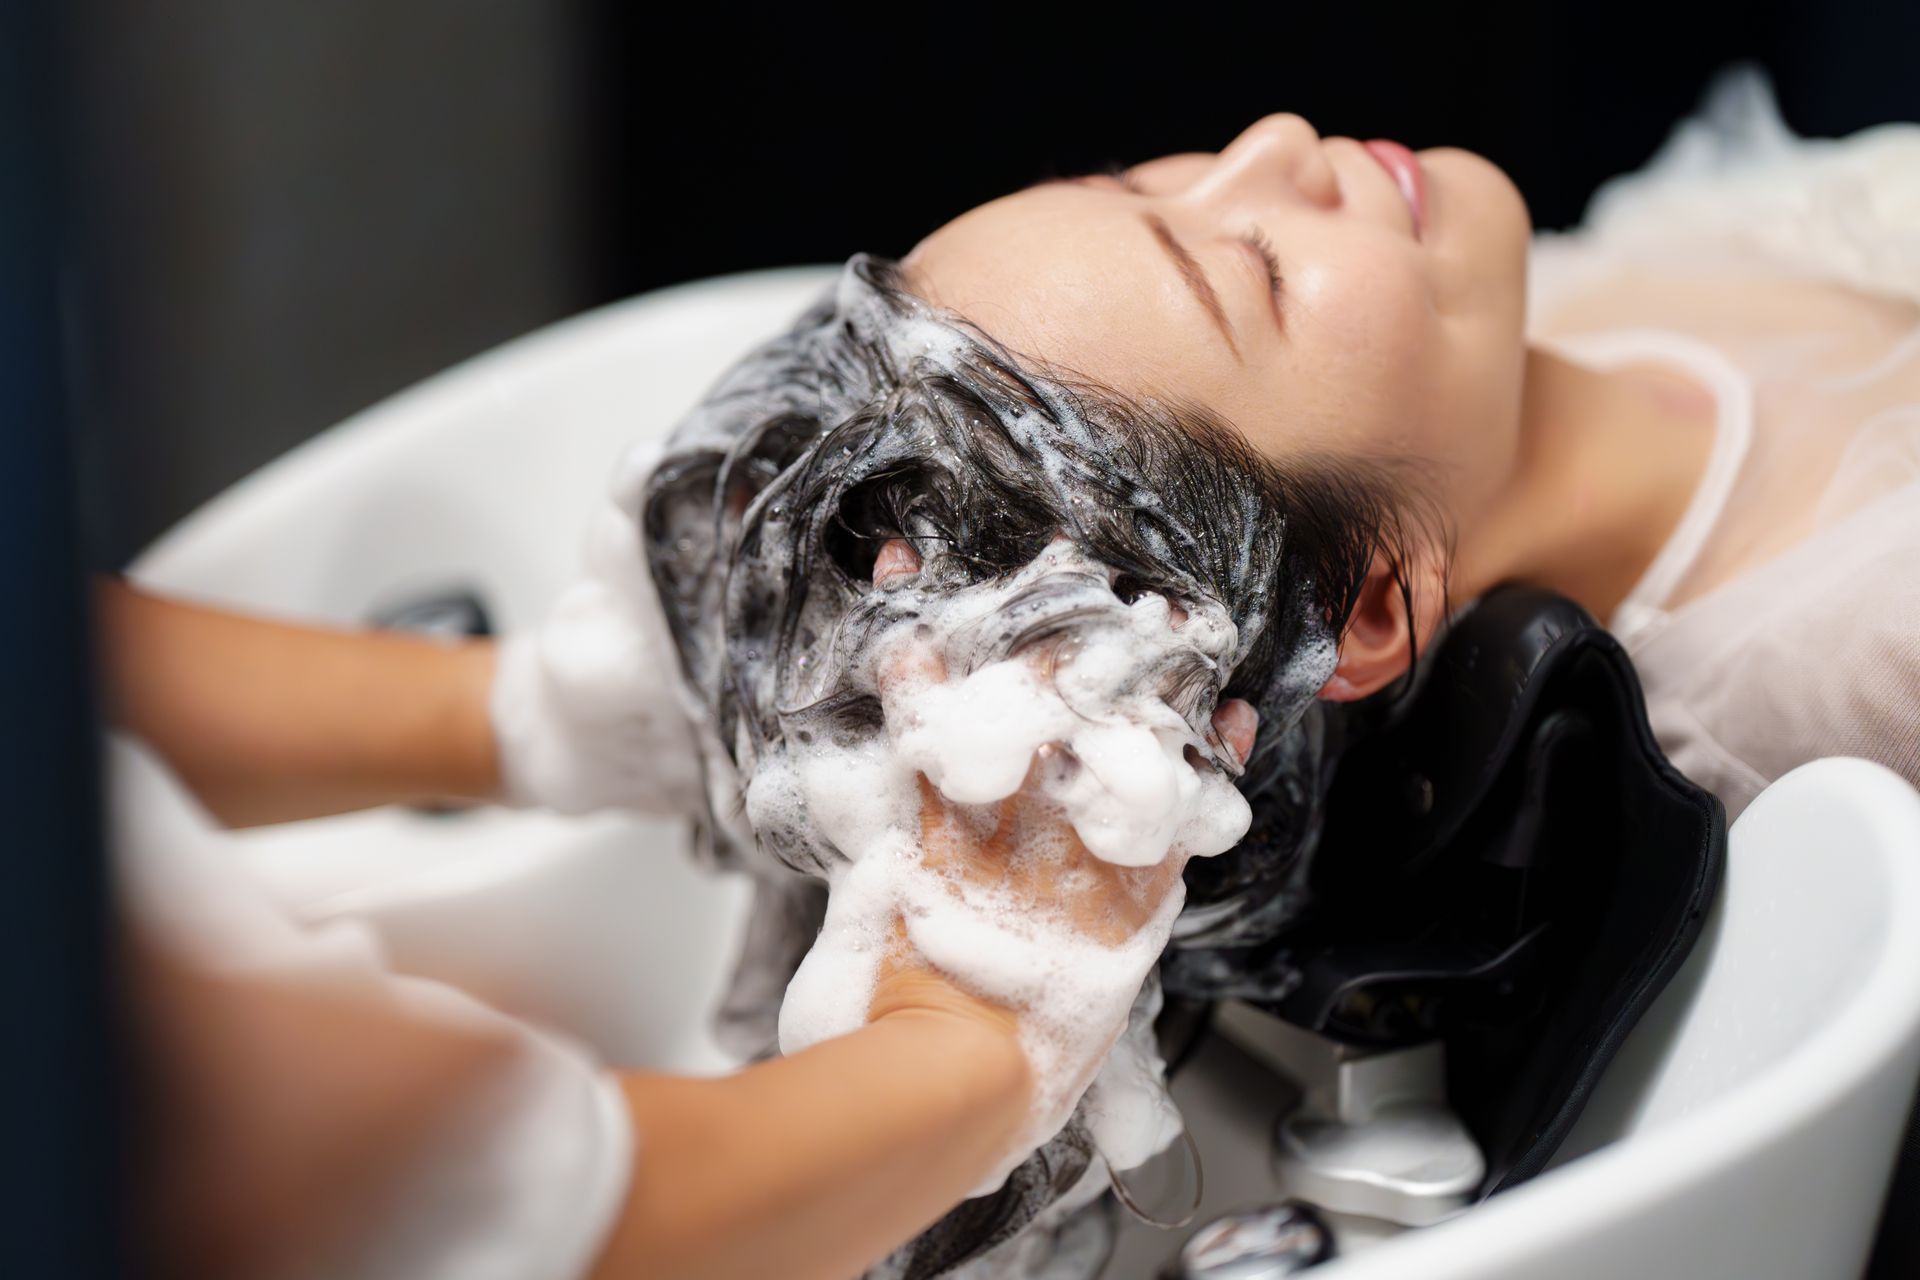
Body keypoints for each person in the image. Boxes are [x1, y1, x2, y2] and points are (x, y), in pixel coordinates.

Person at [103, 60, 1919, 1279]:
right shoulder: (1859, 647)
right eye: (1260, 284)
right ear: (1372, 617)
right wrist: (981, 1037)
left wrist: (530, 719)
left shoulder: (1481, 341)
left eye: (1153, 181)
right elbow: (547, 1210)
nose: (1280, 143)